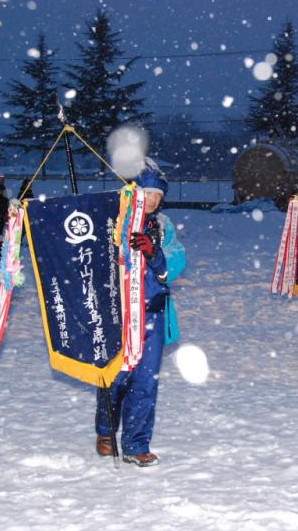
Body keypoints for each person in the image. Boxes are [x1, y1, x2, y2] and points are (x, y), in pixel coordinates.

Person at [95, 168, 186, 466]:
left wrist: (155, 254)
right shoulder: (114, 219)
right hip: (119, 315)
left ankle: (136, 443)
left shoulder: (163, 225)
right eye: (148, 194)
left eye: (158, 196)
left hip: (153, 313)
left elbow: (176, 260)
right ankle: (107, 431)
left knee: (146, 381)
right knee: (116, 376)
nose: (152, 201)